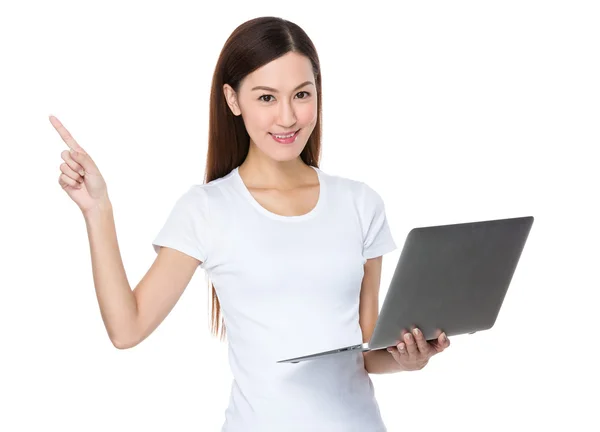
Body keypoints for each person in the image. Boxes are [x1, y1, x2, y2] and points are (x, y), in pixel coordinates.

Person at [51, 16, 450, 432]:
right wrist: (98, 211)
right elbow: (127, 328)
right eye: (266, 98)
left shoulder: (360, 203)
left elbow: (366, 350)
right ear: (233, 99)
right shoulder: (207, 210)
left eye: (301, 94)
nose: (287, 117)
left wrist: (410, 358)